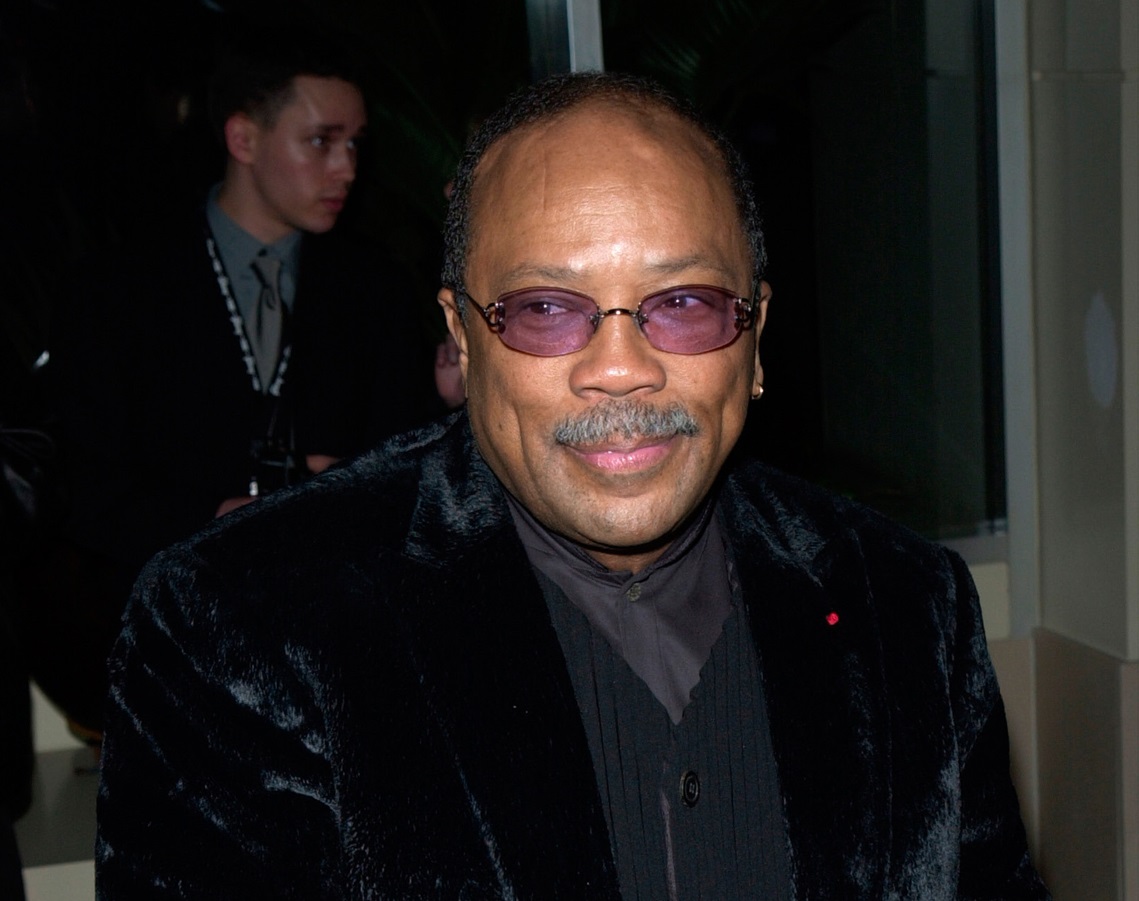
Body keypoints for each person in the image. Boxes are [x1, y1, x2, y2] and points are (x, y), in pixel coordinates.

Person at [95, 72, 1050, 899]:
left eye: (682, 305)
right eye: (548, 310)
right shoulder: (238, 627)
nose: (621, 367)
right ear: (462, 340)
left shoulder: (905, 608)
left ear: (753, 339)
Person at [35, 30, 438, 736]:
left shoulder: (373, 286)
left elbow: (410, 460)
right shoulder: (119, 291)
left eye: (355, 143)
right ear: (243, 139)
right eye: (321, 141)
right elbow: (82, 486)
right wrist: (212, 514)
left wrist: (348, 485)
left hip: (341, 658)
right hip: (175, 656)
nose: (345, 166)